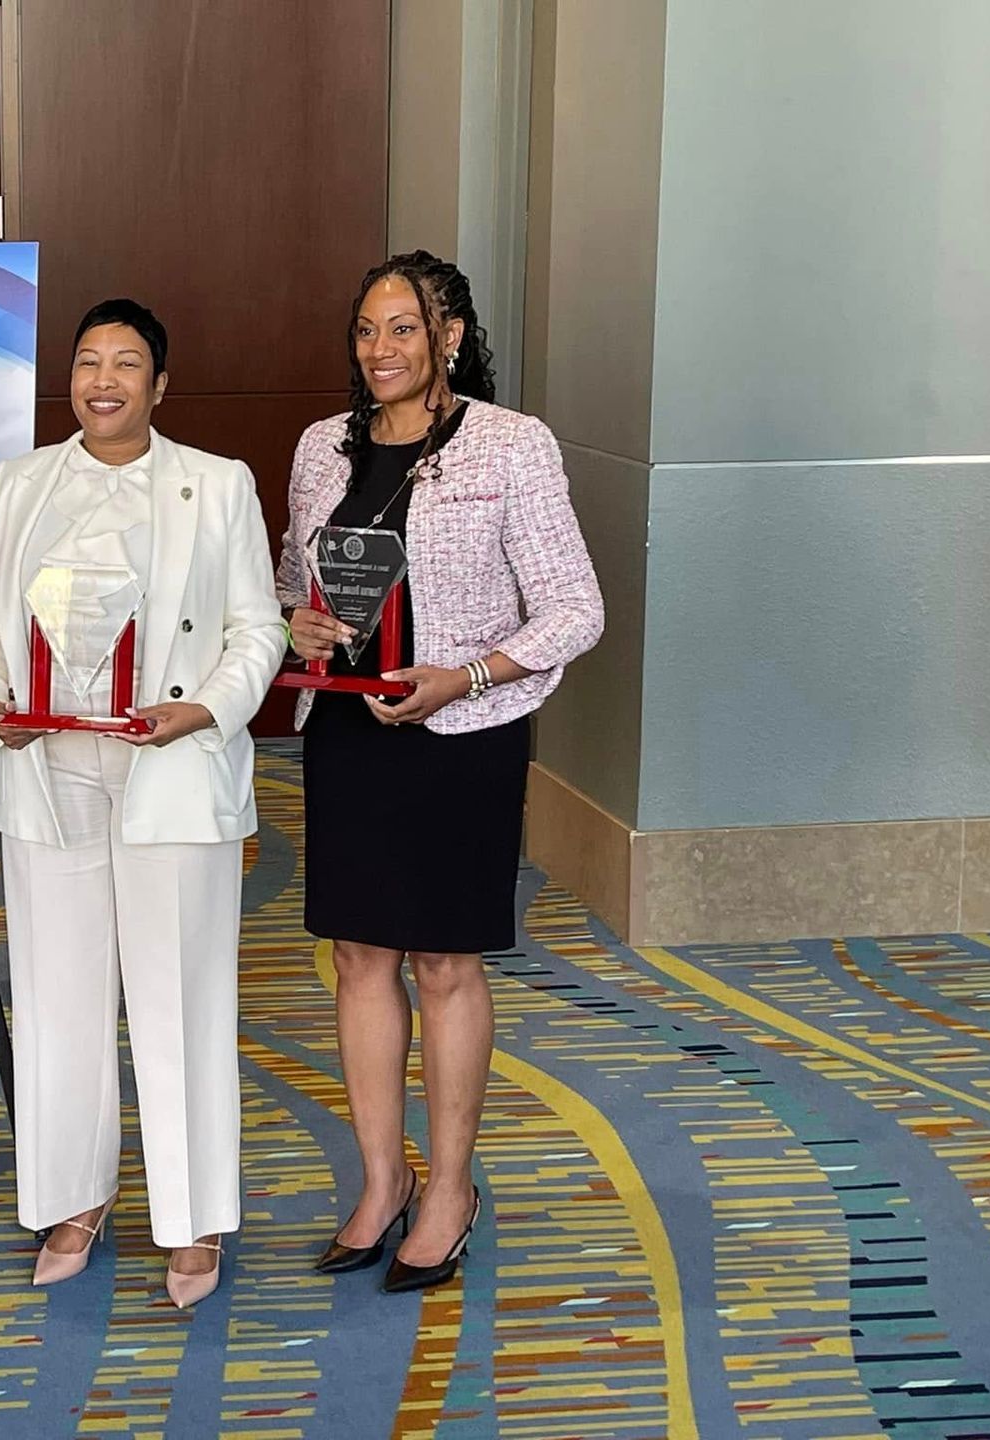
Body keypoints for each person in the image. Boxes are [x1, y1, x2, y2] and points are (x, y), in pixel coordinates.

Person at [279, 251, 603, 1292]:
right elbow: (293, 585)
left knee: (446, 966)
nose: (381, 351)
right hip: (350, 733)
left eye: (404, 329)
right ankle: (382, 1183)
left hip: (460, 736)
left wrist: (463, 676)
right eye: (366, 331)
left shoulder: (512, 445)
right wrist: (304, 626)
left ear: (450, 336)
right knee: (361, 960)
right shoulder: (322, 449)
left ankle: (452, 1188)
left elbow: (574, 611)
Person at [0, 299, 284, 1308]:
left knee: (180, 996)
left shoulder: (216, 485)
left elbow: (257, 631)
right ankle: (72, 1196)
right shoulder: (20, 485)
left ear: (160, 384)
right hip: (49, 770)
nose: (104, 380)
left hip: (169, 770)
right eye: (88, 362)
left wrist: (204, 712)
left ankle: (192, 1222)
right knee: (58, 993)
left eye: (127, 363)